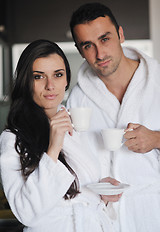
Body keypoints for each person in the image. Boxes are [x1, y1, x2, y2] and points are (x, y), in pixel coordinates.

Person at [0, 39, 122, 232]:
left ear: (66, 80)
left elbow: (80, 193)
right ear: (26, 82)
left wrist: (100, 191)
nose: (50, 85)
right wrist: (53, 147)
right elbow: (26, 213)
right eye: (39, 77)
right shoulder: (13, 139)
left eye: (58, 75)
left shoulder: (75, 126)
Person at [67, 2, 160, 232]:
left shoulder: (157, 81)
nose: (100, 54)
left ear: (120, 34)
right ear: (79, 50)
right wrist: (94, 185)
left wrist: (156, 139)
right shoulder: (78, 100)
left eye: (105, 39)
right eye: (88, 45)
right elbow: (74, 163)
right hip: (106, 220)